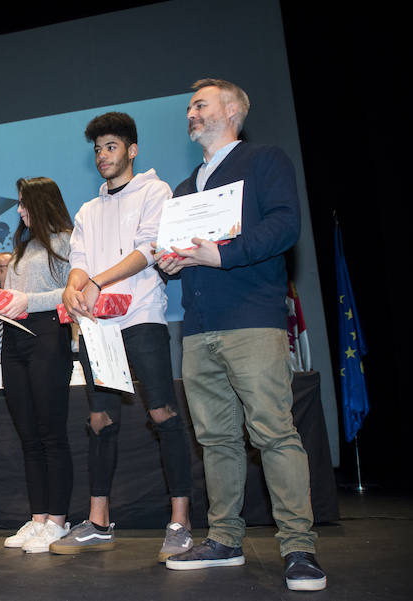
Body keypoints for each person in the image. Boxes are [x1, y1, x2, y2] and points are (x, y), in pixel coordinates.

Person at [156, 79, 326, 591]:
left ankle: (298, 548)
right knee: (215, 439)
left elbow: (285, 226)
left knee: (274, 432)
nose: (190, 113)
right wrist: (170, 262)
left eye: (200, 104)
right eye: (189, 107)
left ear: (231, 110)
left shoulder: (265, 161)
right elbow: (178, 253)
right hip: (197, 328)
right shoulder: (185, 188)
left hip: (252, 319)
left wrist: (222, 253)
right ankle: (225, 539)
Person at [52, 112, 194, 561]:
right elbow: (79, 260)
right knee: (100, 420)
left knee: (163, 412)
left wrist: (97, 281)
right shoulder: (87, 210)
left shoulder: (155, 191)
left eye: (111, 147)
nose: (102, 156)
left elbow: (148, 249)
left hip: (142, 316)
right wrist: (74, 286)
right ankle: (98, 522)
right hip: (98, 327)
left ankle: (180, 521)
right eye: (97, 149)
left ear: (132, 150)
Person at [0, 177, 74, 553]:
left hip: (48, 335)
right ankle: (38, 518)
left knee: (51, 434)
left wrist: (28, 300)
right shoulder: (22, 247)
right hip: (14, 338)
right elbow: (11, 296)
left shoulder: (66, 241)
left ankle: (58, 521)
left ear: (42, 203)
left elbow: (73, 291)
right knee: (29, 436)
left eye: (24, 203)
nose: (19, 210)